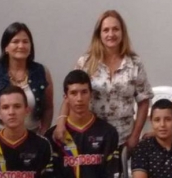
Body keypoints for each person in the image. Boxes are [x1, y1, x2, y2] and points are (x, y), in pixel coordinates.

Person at [54, 10, 153, 151]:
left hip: (124, 138)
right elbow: (71, 95)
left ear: (122, 32)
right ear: (99, 34)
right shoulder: (86, 62)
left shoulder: (135, 63)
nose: (111, 34)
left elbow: (143, 102)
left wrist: (135, 136)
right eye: (106, 30)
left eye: (115, 29)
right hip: (92, 138)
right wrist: (60, 123)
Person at [0, 22, 54, 141]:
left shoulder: (42, 72)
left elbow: (48, 108)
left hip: (33, 139)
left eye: (25, 42)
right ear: (6, 47)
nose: (21, 46)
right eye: (15, 41)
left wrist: (44, 133)